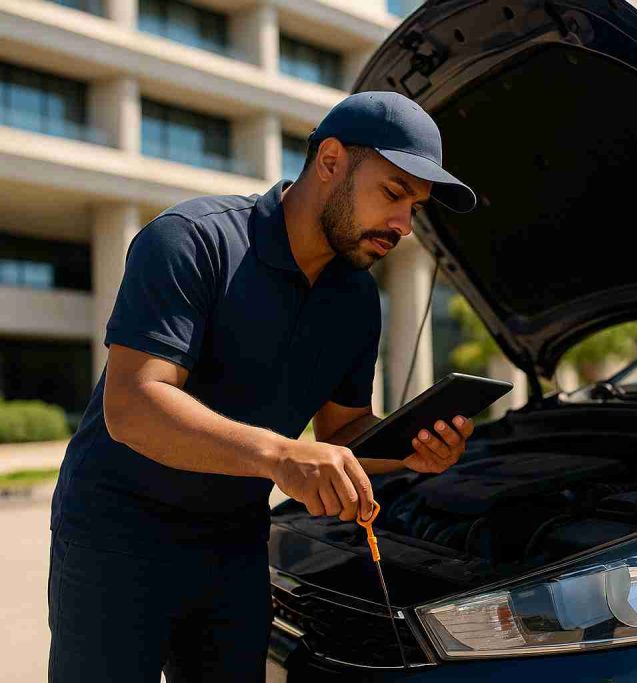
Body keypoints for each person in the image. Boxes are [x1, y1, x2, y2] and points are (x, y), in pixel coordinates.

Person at [47, 91, 477, 682]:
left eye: (416, 207)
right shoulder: (191, 239)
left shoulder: (355, 299)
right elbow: (134, 405)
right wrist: (281, 455)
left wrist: (408, 448)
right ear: (331, 161)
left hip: (237, 542)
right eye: (393, 193)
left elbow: (343, 430)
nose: (404, 225)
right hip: (118, 537)